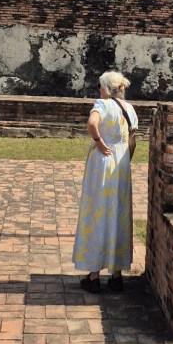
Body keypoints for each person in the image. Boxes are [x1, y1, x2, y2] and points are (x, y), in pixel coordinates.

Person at [72, 69, 138, 292]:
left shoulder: (102, 104)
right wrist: (124, 161)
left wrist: (99, 141)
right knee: (118, 214)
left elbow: (92, 123)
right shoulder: (129, 109)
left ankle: (93, 276)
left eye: (101, 86)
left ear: (108, 89)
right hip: (121, 163)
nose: (99, 90)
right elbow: (132, 142)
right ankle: (117, 275)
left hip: (103, 161)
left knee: (98, 212)